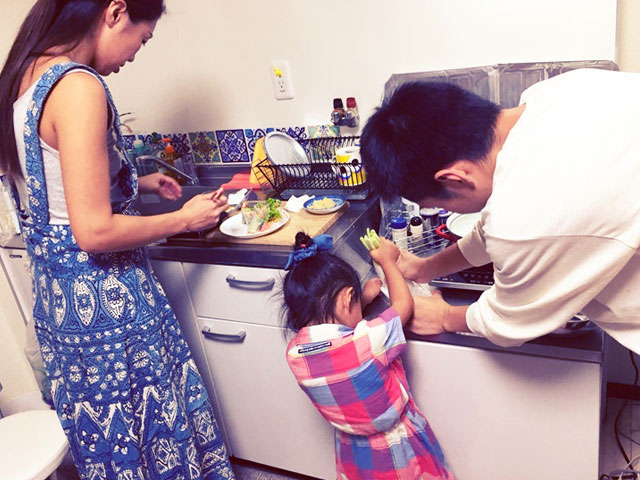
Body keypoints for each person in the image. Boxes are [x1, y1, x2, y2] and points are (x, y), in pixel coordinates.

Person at [0, 1, 235, 479]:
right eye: (141, 39)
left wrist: (139, 183)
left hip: (62, 311)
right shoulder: (78, 86)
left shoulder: (23, 79)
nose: (135, 54)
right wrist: (183, 219)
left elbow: (56, 194)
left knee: (114, 442)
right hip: (109, 305)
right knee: (157, 428)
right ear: (115, 12)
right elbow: (94, 231)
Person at [360, 69, 640, 354]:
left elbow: (509, 319)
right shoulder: (553, 92)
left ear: (455, 178)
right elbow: (491, 231)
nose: (435, 210)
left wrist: (443, 317)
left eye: (437, 205)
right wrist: (425, 267)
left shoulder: (526, 215)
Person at [283, 231, 456, 480]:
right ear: (345, 300)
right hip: (397, 442)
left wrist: (361, 300)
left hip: (353, 448)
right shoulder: (369, 341)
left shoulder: (295, 355)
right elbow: (403, 307)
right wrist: (387, 262)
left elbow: (333, 342)